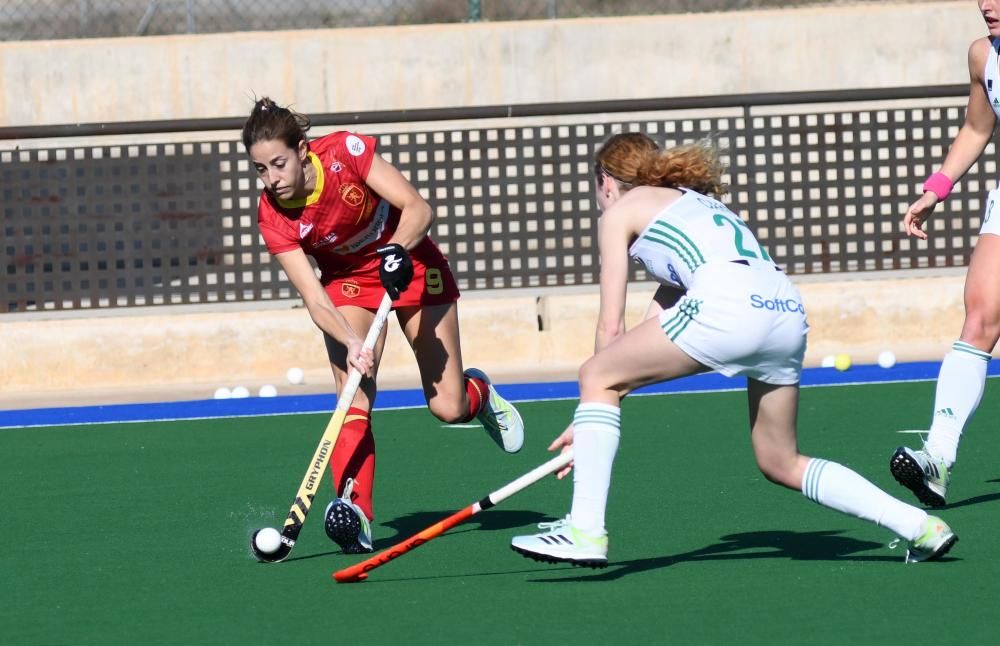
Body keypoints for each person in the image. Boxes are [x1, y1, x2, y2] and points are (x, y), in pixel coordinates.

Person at [509, 132, 957, 567]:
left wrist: (597, 389)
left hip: (728, 302)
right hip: (783, 308)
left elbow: (611, 331)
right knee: (780, 460)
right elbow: (643, 342)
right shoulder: (691, 206)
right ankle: (918, 524)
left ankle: (584, 531)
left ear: (606, 180)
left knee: (594, 371)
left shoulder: (621, 211)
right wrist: (592, 419)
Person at [241, 97, 524, 554]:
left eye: (278, 164)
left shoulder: (345, 154)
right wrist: (352, 343)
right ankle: (355, 511)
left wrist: (395, 249)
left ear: (302, 150)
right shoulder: (272, 216)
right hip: (349, 285)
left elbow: (417, 208)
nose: (271, 179)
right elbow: (314, 298)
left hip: (409, 261)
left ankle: (481, 395)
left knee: (448, 407)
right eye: (260, 170)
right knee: (352, 390)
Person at [889, 2, 1000, 507]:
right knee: (978, 318)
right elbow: (977, 129)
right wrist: (936, 189)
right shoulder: (983, 55)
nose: (985, 4)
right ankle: (938, 457)